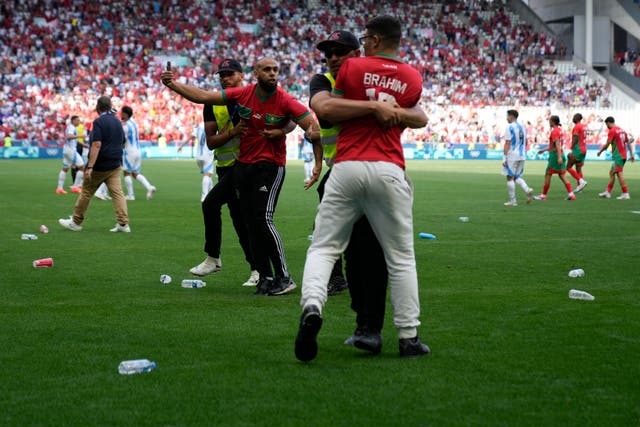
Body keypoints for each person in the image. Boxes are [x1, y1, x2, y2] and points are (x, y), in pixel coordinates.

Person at [295, 15, 431, 362]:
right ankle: (408, 337)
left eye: (341, 50)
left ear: (368, 41)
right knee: (400, 258)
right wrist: (385, 107)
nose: (333, 58)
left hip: (347, 166)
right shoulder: (412, 76)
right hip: (389, 167)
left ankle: (313, 305)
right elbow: (420, 115)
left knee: (324, 248)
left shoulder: (351, 70)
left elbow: (327, 109)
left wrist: (381, 107)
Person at [161, 57, 324, 296]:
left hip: (269, 167)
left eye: (275, 70)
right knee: (247, 222)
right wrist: (173, 85)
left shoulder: (285, 100)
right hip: (242, 167)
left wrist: (317, 164)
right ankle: (264, 277)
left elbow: (313, 128)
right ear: (255, 73)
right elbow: (203, 96)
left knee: (263, 220)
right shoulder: (243, 94)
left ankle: (284, 277)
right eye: (267, 69)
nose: (272, 74)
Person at [309, 29, 390, 353]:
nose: (332, 57)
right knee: (350, 252)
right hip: (341, 173)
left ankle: (386, 329)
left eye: (341, 51)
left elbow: (406, 114)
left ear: (358, 53)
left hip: (378, 172)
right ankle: (358, 320)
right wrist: (373, 108)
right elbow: (325, 111)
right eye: (329, 52)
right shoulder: (322, 82)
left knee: (376, 255)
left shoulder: (379, 79)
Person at [186, 58, 258, 288]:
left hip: (247, 167)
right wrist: (232, 132)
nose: (225, 78)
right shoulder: (212, 103)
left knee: (211, 205)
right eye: (222, 75)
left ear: (241, 76)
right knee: (240, 220)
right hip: (225, 169)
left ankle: (214, 258)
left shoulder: (252, 98)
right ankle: (257, 269)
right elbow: (211, 142)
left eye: (230, 74)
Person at [58, 96, 130, 233]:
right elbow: (123, 142)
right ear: (109, 106)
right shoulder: (117, 121)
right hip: (115, 163)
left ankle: (76, 222)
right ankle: (123, 224)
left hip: (100, 165)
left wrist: (90, 166)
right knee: (117, 193)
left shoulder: (98, 122)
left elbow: (96, 144)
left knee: (86, 192)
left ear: (98, 108)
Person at [533, 115, 575, 201]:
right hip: (560, 153)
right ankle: (571, 194)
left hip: (555, 156)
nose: (549, 122)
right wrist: (544, 150)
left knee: (548, 174)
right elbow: (555, 145)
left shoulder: (554, 131)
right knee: (562, 175)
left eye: (549, 120)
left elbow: (557, 145)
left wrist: (559, 157)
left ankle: (543, 195)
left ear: (552, 121)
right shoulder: (560, 130)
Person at [120, 106, 156, 201]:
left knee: (126, 173)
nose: (120, 114)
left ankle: (131, 195)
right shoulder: (134, 123)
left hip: (129, 151)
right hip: (138, 150)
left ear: (125, 114)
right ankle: (149, 187)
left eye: (122, 113)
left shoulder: (125, 126)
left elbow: (123, 141)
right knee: (135, 173)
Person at [597, 116, 635, 199]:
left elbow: (607, 144)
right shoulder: (622, 130)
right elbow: (628, 142)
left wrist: (600, 151)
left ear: (608, 123)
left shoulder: (612, 131)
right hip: (623, 155)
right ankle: (608, 192)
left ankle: (625, 193)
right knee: (612, 172)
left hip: (619, 156)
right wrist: (632, 154)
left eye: (606, 124)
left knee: (619, 173)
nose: (606, 126)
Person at [502, 109, 534, 206]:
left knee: (509, 177)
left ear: (511, 116)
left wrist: (504, 157)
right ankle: (527, 189)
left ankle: (513, 201)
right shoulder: (523, 127)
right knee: (516, 177)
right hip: (522, 155)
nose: (506, 118)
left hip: (512, 155)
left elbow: (507, 143)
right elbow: (526, 141)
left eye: (507, 116)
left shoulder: (509, 127)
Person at [177, 122, 214, 202]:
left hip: (198, 156)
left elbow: (191, 137)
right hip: (208, 154)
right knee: (207, 174)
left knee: (207, 175)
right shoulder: (212, 126)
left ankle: (212, 192)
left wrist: (181, 146)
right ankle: (204, 196)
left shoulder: (199, 127)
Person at [56, 115, 85, 194]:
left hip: (66, 150)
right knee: (82, 167)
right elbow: (69, 136)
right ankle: (75, 187)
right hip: (71, 150)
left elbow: (72, 139)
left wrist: (82, 144)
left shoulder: (70, 127)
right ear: (73, 121)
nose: (79, 122)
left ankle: (59, 188)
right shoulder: (72, 127)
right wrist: (80, 136)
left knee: (65, 168)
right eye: (78, 120)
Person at [566, 113, 588, 193]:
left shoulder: (577, 127)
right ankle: (580, 188)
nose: (573, 118)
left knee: (568, 167)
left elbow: (575, 138)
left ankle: (581, 182)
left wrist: (571, 148)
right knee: (578, 168)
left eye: (574, 117)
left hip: (577, 150)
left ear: (577, 118)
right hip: (583, 149)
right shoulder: (583, 126)